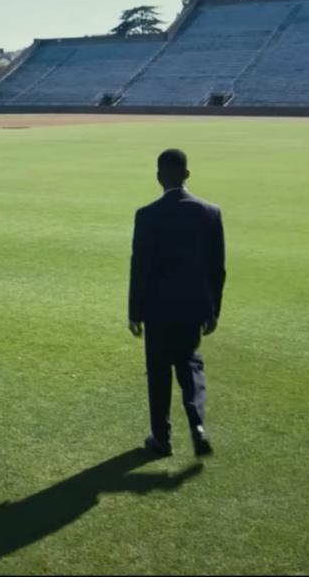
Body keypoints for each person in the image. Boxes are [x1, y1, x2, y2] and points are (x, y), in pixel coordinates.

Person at [129, 149, 226, 458]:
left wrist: (134, 312)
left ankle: (161, 438)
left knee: (158, 372)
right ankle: (197, 423)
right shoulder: (211, 212)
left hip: (157, 309)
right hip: (194, 307)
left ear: (159, 178)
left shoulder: (146, 215)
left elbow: (139, 266)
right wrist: (214, 309)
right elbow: (218, 268)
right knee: (190, 364)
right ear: (187, 175)